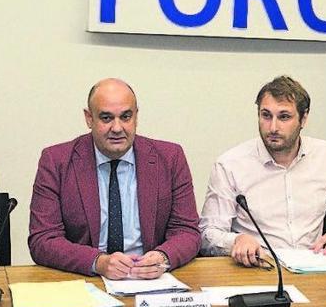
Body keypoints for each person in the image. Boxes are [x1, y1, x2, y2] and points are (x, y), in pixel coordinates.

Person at [28, 78, 200, 279]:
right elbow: (42, 239)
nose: (117, 128)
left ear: (136, 117)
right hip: (84, 279)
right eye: (106, 118)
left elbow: (188, 231)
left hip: (151, 280)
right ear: (89, 118)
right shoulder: (56, 161)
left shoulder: (170, 158)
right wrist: (98, 262)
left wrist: (163, 257)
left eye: (126, 117)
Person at [199, 76, 326, 266]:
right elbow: (207, 234)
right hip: (257, 268)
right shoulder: (230, 165)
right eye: (266, 115)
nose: (273, 127)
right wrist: (236, 240)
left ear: (304, 118)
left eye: (284, 117)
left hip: (314, 266)